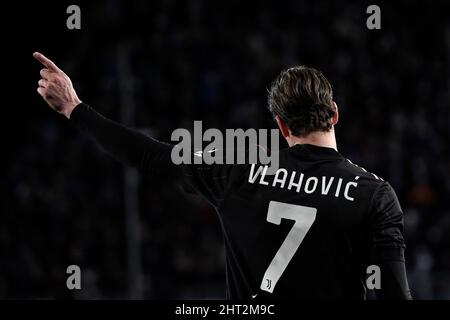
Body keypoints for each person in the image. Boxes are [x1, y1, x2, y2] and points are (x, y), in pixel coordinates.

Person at [33, 52, 412, 299]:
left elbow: (149, 155)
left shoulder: (240, 168)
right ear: (334, 113)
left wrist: (74, 107)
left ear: (280, 125)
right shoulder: (374, 195)